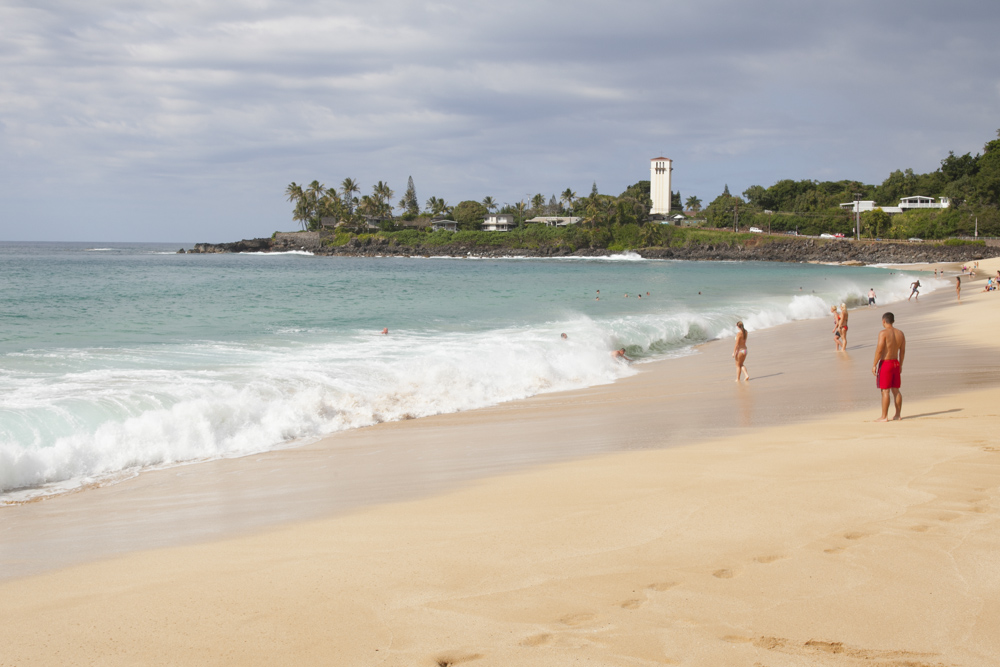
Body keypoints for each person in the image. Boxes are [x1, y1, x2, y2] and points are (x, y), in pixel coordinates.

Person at [873, 312, 905, 421]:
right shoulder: (900, 333)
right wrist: (900, 364)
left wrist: (874, 364)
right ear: (893, 321)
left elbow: (880, 349)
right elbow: (903, 351)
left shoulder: (883, 333)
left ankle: (884, 416)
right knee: (896, 390)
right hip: (896, 363)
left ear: (883, 321)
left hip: (886, 363)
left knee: (885, 391)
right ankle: (897, 415)